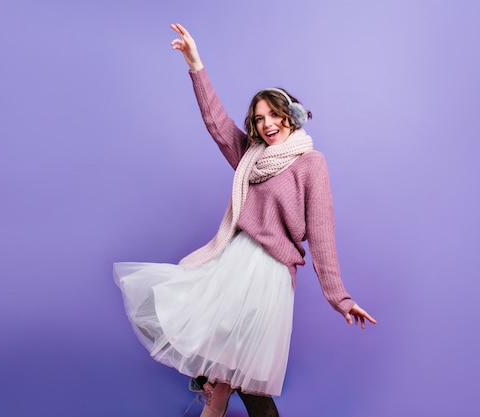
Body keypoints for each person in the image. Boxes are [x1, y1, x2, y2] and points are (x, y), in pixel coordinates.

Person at [113, 23, 376, 417]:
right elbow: (217, 125)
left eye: (274, 115)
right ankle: (213, 397)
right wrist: (196, 65)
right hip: (233, 262)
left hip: (268, 275)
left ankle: (214, 398)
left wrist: (340, 298)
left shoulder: (310, 163)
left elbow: (321, 234)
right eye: (258, 119)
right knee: (215, 352)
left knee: (241, 373)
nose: (267, 124)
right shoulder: (251, 158)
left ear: (291, 115)